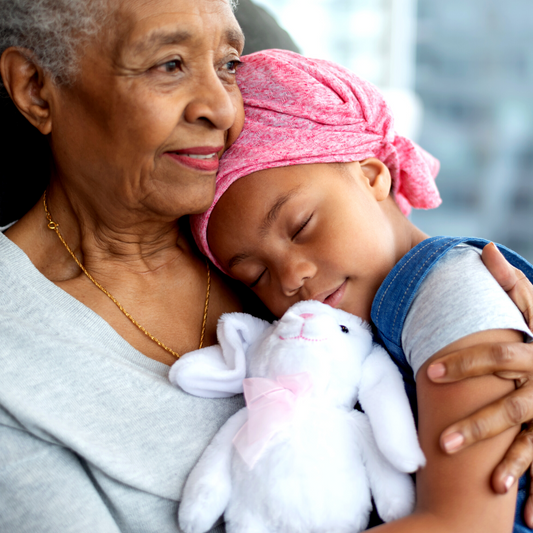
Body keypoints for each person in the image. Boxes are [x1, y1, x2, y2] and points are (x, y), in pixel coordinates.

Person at [0, 1, 532, 531]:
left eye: (229, 65)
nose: (224, 111)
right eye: (169, 64)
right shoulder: (19, 363)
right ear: (35, 87)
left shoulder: (277, 179)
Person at [190, 49, 533, 532]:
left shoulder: (450, 295)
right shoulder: (334, 332)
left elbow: (463, 523)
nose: (290, 278)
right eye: (256, 277)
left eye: (302, 225)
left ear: (372, 176)